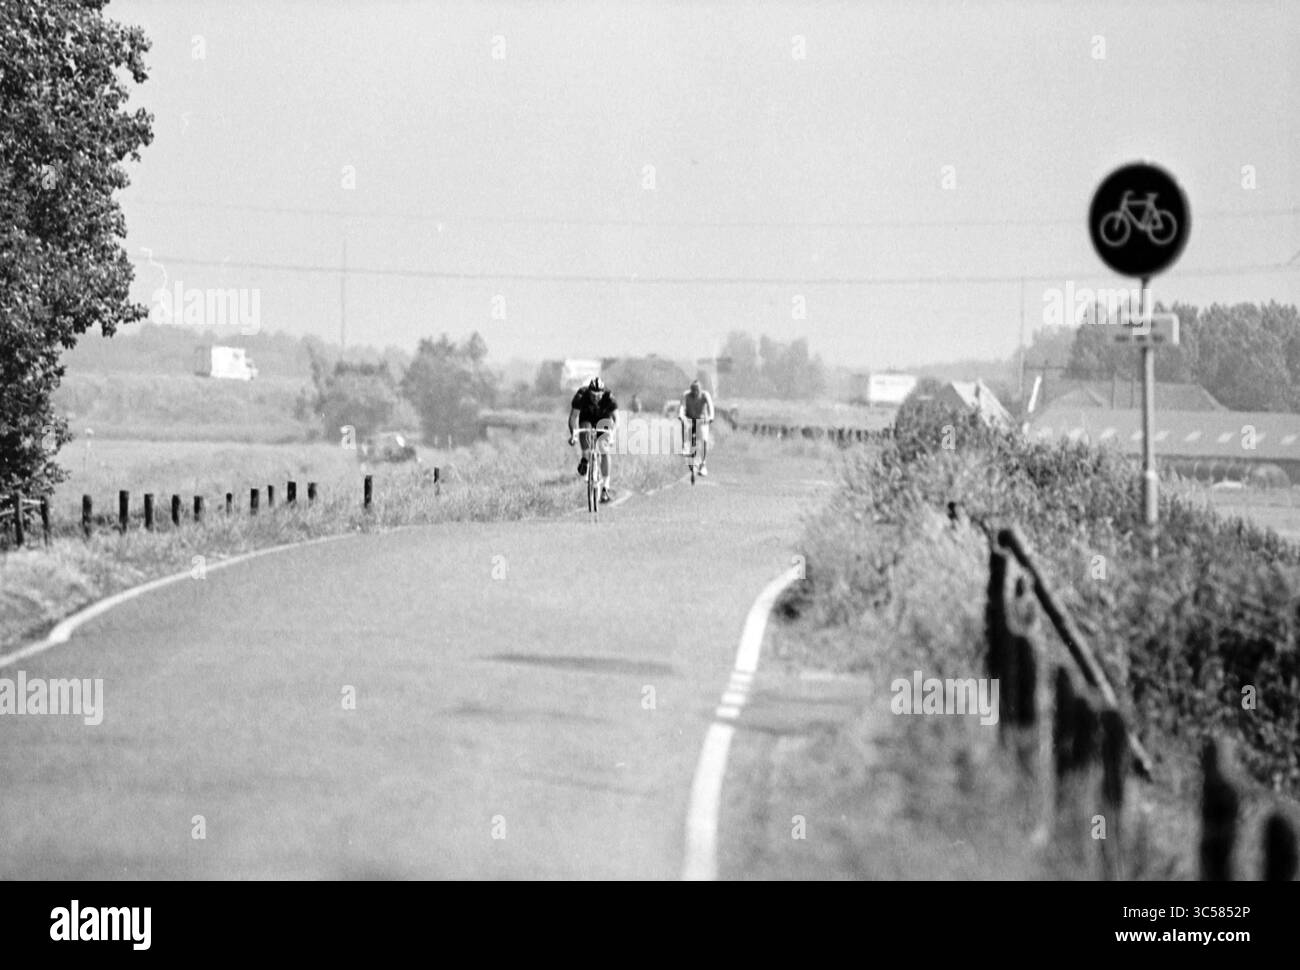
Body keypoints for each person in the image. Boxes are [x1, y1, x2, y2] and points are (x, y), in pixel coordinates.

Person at [568, 376, 619, 502]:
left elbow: (617, 419)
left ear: (603, 393)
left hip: (604, 419)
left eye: (598, 395)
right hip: (587, 418)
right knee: (585, 428)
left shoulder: (609, 397)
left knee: (604, 449)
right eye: (592, 395)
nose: (595, 398)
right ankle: (585, 458)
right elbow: (573, 417)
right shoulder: (581, 395)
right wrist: (573, 435)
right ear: (588, 392)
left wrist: (612, 434)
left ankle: (605, 488)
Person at [678, 379, 714, 475]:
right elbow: (682, 407)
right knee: (684, 423)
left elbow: (711, 407)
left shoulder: (705, 395)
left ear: (701, 390)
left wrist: (710, 417)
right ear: (691, 390)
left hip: (702, 421)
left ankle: (703, 464)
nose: (695, 392)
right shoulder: (686, 395)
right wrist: (681, 415)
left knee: (704, 440)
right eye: (693, 390)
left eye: (697, 390)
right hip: (690, 420)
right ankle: (685, 446)